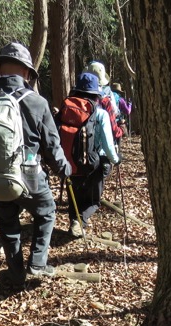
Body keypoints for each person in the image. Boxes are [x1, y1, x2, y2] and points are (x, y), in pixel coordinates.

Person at [0, 42, 71, 285]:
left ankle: (15, 272)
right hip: (31, 176)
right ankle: (38, 264)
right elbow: (51, 145)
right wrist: (64, 170)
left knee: (7, 223)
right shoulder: (37, 102)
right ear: (27, 72)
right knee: (46, 212)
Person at [63, 72, 120, 238]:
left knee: (75, 198)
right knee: (94, 200)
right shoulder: (100, 114)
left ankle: (75, 221)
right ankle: (80, 222)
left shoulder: (66, 111)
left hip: (69, 163)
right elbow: (108, 145)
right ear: (96, 95)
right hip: (93, 164)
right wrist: (116, 160)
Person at [85, 61, 124, 142]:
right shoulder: (105, 100)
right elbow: (113, 129)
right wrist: (121, 130)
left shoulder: (74, 96)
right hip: (100, 148)